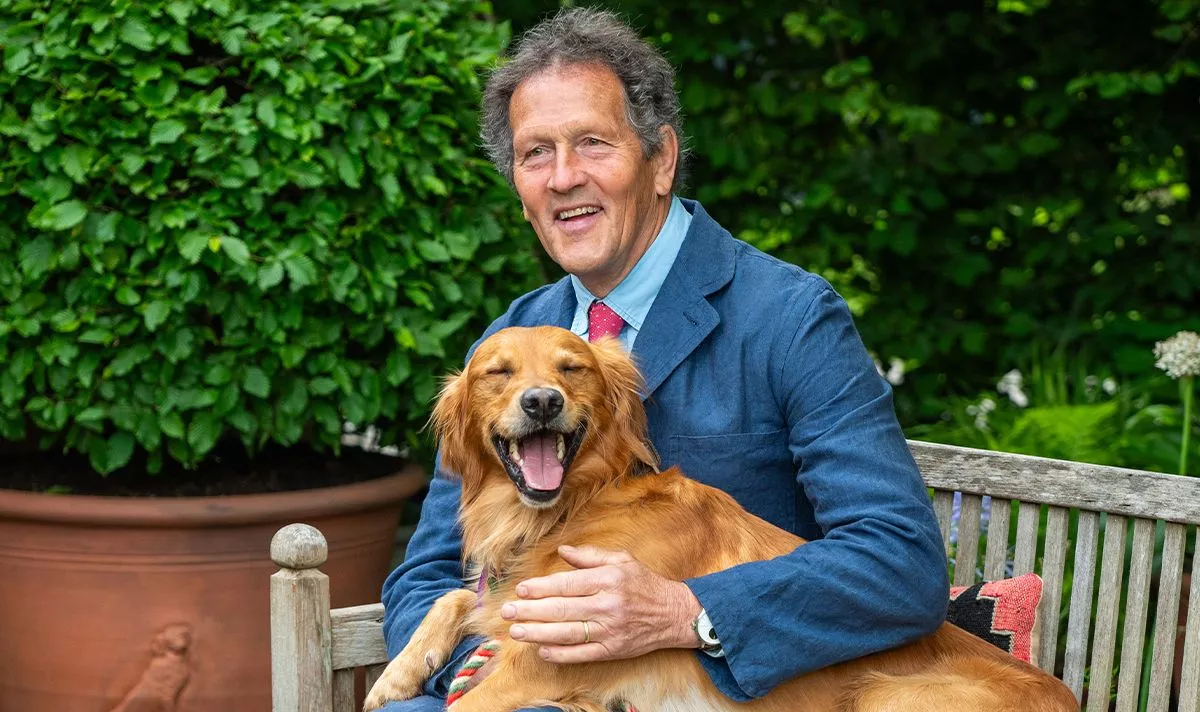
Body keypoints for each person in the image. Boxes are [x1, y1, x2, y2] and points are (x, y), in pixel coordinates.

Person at [377, 8, 948, 711]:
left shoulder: (789, 316)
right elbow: (428, 572)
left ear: (662, 160)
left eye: (592, 143)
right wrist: (488, 674)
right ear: (519, 189)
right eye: (536, 154)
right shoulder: (508, 342)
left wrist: (684, 612)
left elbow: (900, 560)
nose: (563, 177)